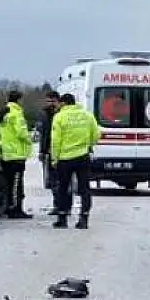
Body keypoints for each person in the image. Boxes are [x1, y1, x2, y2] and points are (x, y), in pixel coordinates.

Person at [49, 92, 99, 229]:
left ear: (63, 103)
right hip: (83, 156)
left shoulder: (59, 117)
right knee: (84, 189)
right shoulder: (87, 115)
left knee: (63, 188)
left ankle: (62, 218)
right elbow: (96, 134)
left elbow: (56, 140)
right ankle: (84, 218)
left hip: (65, 159)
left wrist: (55, 158)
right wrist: (88, 145)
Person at [0, 90, 33, 219]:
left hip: (6, 153)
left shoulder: (3, 113)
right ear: (19, 100)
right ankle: (16, 209)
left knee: (9, 184)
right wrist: (30, 140)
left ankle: (8, 207)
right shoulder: (16, 113)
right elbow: (21, 133)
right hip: (16, 154)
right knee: (17, 185)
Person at [36, 91, 60, 190]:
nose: (50, 104)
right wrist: (41, 150)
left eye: (53, 101)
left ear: (58, 101)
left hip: (61, 148)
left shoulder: (62, 113)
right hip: (49, 148)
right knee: (51, 175)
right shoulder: (43, 114)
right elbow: (43, 134)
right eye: (48, 101)